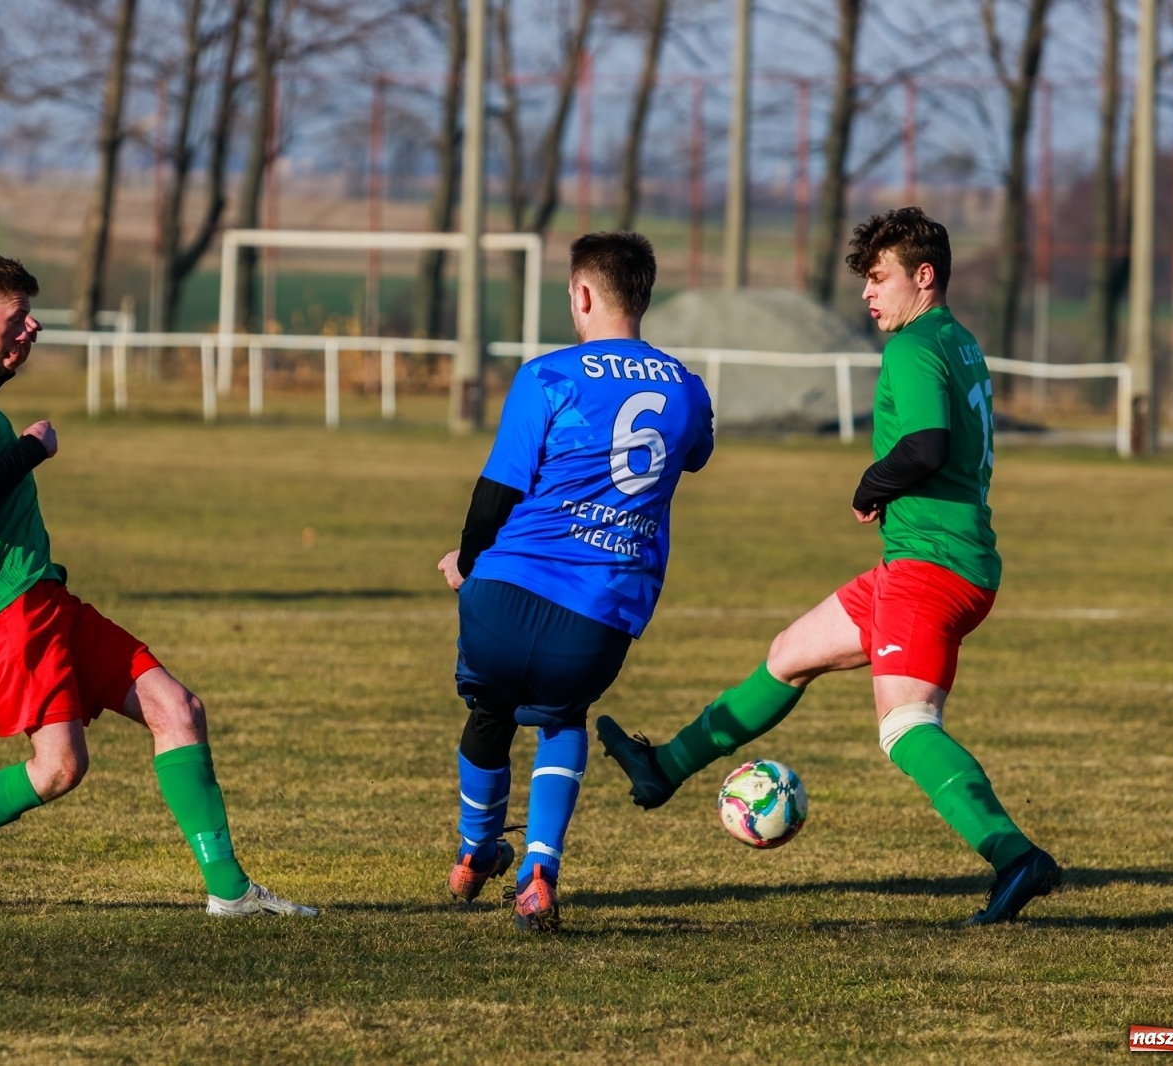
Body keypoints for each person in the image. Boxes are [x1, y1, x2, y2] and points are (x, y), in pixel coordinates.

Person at [597, 208, 1061, 926]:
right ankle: (664, 769)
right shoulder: (958, 341)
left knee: (906, 727)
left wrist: (872, 484)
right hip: (929, 560)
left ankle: (1014, 856)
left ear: (924, 276)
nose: (869, 295)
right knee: (790, 655)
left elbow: (929, 445)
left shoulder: (912, 347)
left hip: (933, 566)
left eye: (880, 279)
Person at [0, 252, 315, 919]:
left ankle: (229, 892)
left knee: (177, 710)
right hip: (5, 602)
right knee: (57, 770)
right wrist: (32, 447)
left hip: (42, 593)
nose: (32, 328)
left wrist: (7, 386)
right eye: (16, 318)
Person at [436, 232, 714, 932]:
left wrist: (467, 560)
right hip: (598, 613)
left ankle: (474, 853)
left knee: (490, 711)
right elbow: (699, 453)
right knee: (562, 718)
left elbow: (496, 492)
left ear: (584, 295)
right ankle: (538, 870)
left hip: (503, 593)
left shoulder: (547, 376)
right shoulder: (687, 388)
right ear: (643, 297)